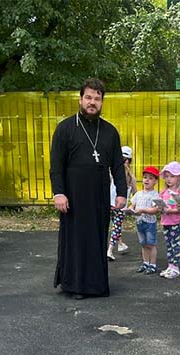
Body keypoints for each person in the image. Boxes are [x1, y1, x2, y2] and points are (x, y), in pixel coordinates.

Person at [49, 78, 127, 298]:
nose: (92, 102)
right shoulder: (65, 129)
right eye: (89, 98)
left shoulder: (110, 132)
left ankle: (96, 285)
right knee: (75, 240)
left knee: (97, 238)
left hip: (99, 196)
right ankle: (74, 286)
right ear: (81, 99)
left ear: (102, 102)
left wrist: (122, 192)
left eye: (97, 99)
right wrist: (59, 192)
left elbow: (118, 165)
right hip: (73, 197)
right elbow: (56, 166)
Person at [158, 162, 180, 279]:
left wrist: (170, 210)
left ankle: (175, 267)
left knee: (174, 244)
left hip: (174, 221)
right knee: (168, 244)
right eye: (167, 176)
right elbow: (160, 206)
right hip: (165, 221)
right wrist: (160, 207)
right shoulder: (164, 191)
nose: (168, 179)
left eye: (172, 176)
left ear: (179, 177)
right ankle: (170, 265)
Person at [130, 166, 161, 274]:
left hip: (150, 223)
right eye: (145, 177)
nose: (146, 180)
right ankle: (145, 262)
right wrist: (129, 209)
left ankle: (153, 264)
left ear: (156, 181)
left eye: (150, 178)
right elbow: (132, 205)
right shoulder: (138, 194)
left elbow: (155, 209)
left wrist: (143, 210)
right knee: (143, 244)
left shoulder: (155, 195)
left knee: (151, 244)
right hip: (139, 222)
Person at [107, 146, 136, 261]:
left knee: (116, 226)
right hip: (118, 206)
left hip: (115, 205)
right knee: (116, 227)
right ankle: (110, 249)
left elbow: (135, 194)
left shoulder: (115, 174)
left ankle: (119, 244)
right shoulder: (128, 177)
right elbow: (135, 194)